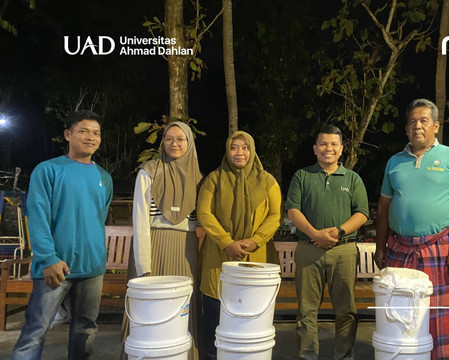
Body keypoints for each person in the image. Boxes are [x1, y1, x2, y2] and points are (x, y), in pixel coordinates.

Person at [374, 99, 449, 360]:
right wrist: (379, 247)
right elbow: (384, 208)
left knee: (438, 313)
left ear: (436, 126)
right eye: (412, 122)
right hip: (399, 249)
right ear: (406, 129)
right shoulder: (394, 162)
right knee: (401, 311)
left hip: (440, 249)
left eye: (423, 121)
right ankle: (404, 355)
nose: (417, 126)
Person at [11, 110, 113, 359]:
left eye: (96, 133)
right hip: (56, 266)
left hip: (92, 268)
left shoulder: (104, 177)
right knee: (35, 331)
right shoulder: (48, 170)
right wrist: (47, 259)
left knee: (85, 330)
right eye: (83, 131)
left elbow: (98, 219)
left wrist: (100, 259)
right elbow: (37, 217)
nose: (91, 137)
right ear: (68, 134)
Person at [285, 125, 369, 360]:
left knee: (346, 310)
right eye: (323, 144)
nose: (328, 148)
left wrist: (340, 231)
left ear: (341, 149)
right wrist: (314, 233)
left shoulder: (352, 179)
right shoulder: (302, 176)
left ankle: (343, 355)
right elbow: (293, 210)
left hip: (343, 251)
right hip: (308, 250)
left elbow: (361, 213)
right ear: (315, 149)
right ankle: (308, 354)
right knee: (306, 310)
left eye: (333, 144)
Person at [121, 121, 203, 359]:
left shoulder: (199, 177)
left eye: (180, 139)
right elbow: (140, 220)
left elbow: (200, 222)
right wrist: (143, 266)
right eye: (168, 139)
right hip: (153, 246)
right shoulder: (149, 171)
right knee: (149, 311)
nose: (174, 144)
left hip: (185, 251)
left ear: (189, 143)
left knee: (180, 310)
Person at [197, 131, 281, 360]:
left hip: (256, 258)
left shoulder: (267, 181)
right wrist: (226, 242)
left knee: (250, 319)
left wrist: (255, 240)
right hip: (219, 257)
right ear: (227, 150)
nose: (239, 152)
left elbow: (275, 216)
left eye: (245, 147)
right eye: (234, 147)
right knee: (216, 316)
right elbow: (204, 212)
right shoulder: (214, 179)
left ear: (252, 151)